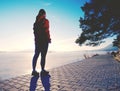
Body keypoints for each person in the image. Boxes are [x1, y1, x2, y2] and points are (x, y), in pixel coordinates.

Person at [32, 9, 51, 76]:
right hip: (44, 41)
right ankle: (42, 70)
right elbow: (47, 31)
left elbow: (34, 33)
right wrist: (49, 39)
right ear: (44, 14)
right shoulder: (46, 21)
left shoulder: (35, 22)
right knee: (43, 56)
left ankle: (34, 70)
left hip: (37, 41)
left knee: (36, 55)